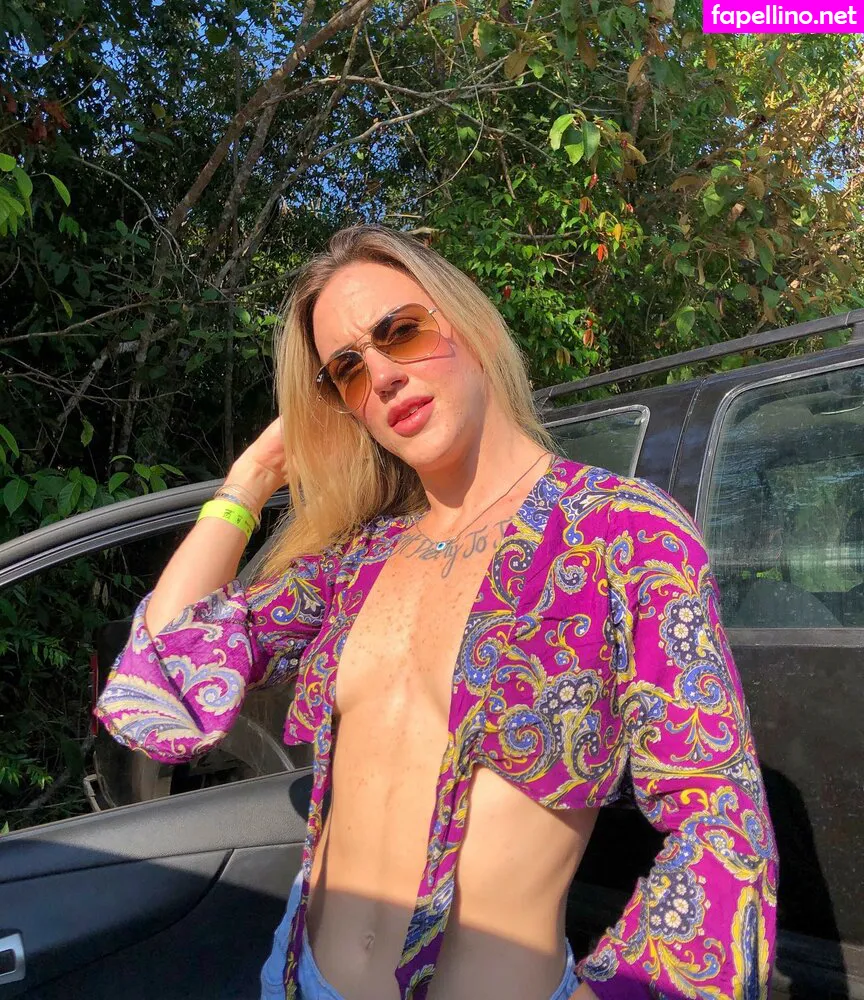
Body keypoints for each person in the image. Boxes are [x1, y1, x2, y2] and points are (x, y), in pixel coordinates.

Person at [94, 225, 778, 1000]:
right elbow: (162, 681)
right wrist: (253, 476)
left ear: (472, 324)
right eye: (348, 370)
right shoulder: (357, 559)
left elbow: (722, 825)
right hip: (299, 976)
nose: (383, 377)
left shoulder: (620, 534)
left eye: (402, 332)